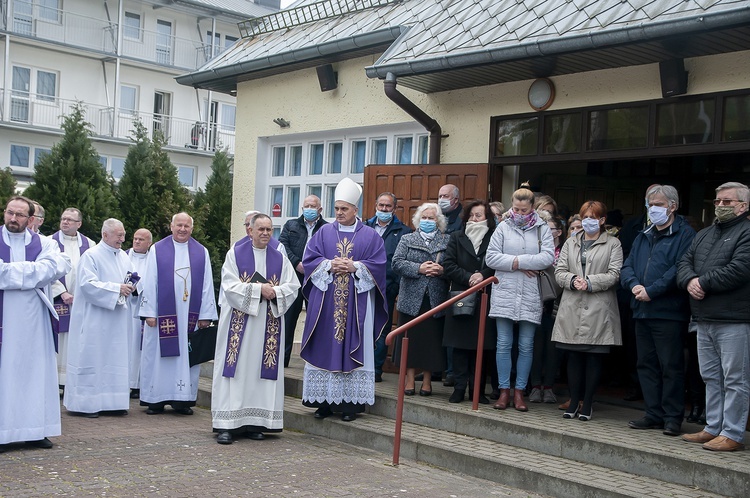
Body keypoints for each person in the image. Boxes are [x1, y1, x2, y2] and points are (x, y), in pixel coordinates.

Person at [300, 178, 388, 422]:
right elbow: (309, 260)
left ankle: (350, 405)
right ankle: (323, 402)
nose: (339, 213)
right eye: (336, 208)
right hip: (327, 304)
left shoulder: (370, 236)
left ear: (355, 210)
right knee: (325, 344)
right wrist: (328, 264)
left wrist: (355, 266)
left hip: (357, 304)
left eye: (344, 209)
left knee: (353, 346)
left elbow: (380, 266)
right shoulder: (323, 232)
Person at [212, 214, 300, 444]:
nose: (265, 233)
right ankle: (227, 424)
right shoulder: (235, 254)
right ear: (250, 231)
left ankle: (256, 422)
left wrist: (275, 293)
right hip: (238, 326)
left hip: (267, 325)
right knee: (236, 371)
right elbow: (229, 287)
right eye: (260, 229)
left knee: (260, 373)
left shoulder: (280, 258)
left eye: (269, 229)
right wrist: (258, 289)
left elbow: (292, 288)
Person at [677, 182, 750, 452]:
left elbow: (740, 268)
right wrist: (689, 281)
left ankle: (732, 433)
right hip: (704, 318)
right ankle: (713, 427)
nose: (720, 206)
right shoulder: (704, 234)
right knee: (710, 376)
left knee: (734, 379)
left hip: (734, 318)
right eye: (717, 201)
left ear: (743, 205)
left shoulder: (747, 233)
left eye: (727, 202)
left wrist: (702, 283)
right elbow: (684, 262)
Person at [620, 185, 695, 436]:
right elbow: (628, 265)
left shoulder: (685, 234)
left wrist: (652, 290)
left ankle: (673, 417)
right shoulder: (644, 234)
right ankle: (653, 413)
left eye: (659, 204)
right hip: (641, 308)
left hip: (668, 311)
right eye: (651, 204)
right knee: (646, 364)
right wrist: (635, 286)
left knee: (670, 366)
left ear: (673, 206)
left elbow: (679, 269)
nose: (654, 209)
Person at [0, 196, 70, 452]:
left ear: (30, 219)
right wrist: (32, 272)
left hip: (33, 321)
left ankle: (35, 430)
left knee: (34, 372)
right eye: (10, 213)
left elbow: (55, 268)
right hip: (4, 319)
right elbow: (39, 272)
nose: (13, 219)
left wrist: (9, 273)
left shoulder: (45, 243)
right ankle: (3, 432)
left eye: (19, 215)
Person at [139, 213, 217, 415]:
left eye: (187, 226)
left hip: (189, 318)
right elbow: (149, 281)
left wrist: (205, 315)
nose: (183, 229)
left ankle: (182, 401)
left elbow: (207, 284)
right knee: (157, 355)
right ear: (171, 226)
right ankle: (155, 400)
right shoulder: (157, 249)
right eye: (179, 225)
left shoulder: (201, 252)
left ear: (192, 228)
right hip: (162, 315)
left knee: (186, 355)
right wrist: (149, 312)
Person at [552, 200, 622, 422]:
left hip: (598, 306)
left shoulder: (613, 244)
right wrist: (573, 280)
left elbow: (614, 274)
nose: (587, 222)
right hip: (572, 305)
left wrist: (590, 281)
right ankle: (573, 401)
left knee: (593, 357)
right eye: (584, 218)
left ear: (602, 220)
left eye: (593, 218)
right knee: (573, 355)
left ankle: (588, 403)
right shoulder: (571, 243)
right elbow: (559, 270)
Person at [486, 186, 554, 412]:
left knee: (526, 345)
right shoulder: (503, 226)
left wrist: (516, 262)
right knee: (503, 343)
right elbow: (491, 258)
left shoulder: (542, 228)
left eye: (524, 210)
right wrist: (520, 262)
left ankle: (519, 393)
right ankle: (504, 391)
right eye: (516, 209)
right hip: (505, 291)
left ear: (532, 207)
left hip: (530, 293)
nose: (520, 213)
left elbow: (547, 258)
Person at [63, 219, 136, 418]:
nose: (122, 239)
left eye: (123, 235)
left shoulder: (123, 256)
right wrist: (116, 288)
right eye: (118, 235)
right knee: (92, 357)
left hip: (118, 318)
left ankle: (114, 401)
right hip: (95, 318)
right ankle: (87, 403)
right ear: (105, 235)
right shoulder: (91, 255)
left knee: (116, 356)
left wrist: (131, 286)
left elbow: (131, 277)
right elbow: (87, 285)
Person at [392, 202, 450, 396]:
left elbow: (452, 266)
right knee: (410, 340)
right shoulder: (407, 238)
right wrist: (419, 268)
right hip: (411, 299)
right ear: (418, 220)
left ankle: (427, 381)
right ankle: (409, 379)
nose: (427, 221)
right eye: (424, 218)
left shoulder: (446, 240)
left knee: (430, 342)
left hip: (434, 298)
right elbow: (397, 263)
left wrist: (442, 271)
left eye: (431, 218)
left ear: (438, 221)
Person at [442, 200, 496, 403]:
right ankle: (458, 388)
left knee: (480, 347)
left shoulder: (494, 237)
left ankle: (477, 391)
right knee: (460, 347)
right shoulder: (457, 236)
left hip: (485, 298)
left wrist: (482, 275)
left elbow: (497, 262)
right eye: (472, 215)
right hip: (461, 296)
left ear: (487, 219)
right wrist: (468, 277)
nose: (474, 219)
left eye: (479, 215)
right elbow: (448, 264)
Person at [365, 192, 411, 382]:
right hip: (362, 286)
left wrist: (398, 288)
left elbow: (402, 262)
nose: (384, 209)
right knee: (361, 326)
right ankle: (360, 366)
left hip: (387, 288)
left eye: (388, 206)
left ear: (395, 208)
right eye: (381, 205)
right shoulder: (363, 227)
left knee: (382, 328)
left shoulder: (403, 231)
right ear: (375, 205)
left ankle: (375, 369)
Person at [50, 208, 97, 390]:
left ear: (79, 224)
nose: (65, 222)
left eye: (70, 220)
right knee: (59, 339)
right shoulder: (49, 242)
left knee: (76, 339)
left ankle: (71, 380)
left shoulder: (90, 244)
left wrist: (81, 294)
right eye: (63, 219)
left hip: (80, 301)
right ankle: (56, 381)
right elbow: (47, 270)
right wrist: (61, 292)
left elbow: (92, 271)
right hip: (57, 300)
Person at [279, 195, 326, 368]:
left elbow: (328, 251)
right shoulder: (291, 225)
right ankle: (282, 360)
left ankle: (315, 360)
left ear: (320, 210)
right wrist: (297, 263)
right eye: (306, 205)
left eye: (313, 206)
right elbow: (282, 246)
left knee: (316, 319)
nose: (309, 209)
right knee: (288, 319)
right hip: (293, 278)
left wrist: (313, 267)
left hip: (316, 280)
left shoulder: (327, 228)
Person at [529, 215, 566, 404]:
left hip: (558, 306)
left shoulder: (565, 251)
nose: (546, 232)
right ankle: (535, 387)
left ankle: (549, 387)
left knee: (553, 349)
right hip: (537, 304)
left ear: (559, 232)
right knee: (536, 346)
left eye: (550, 228)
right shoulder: (537, 250)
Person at [437, 184, 463, 386]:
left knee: (453, 327)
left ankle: (452, 371)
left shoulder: (462, 219)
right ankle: (436, 367)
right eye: (440, 196)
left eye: (445, 196)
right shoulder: (435, 216)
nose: (442, 199)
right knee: (435, 326)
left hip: (454, 278)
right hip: (435, 280)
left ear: (455, 199)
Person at [126, 228, 153, 399]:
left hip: (144, 307)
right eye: (135, 238)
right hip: (126, 307)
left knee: (139, 346)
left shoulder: (154, 258)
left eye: (141, 239)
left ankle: (138, 384)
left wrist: (138, 288)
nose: (136, 242)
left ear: (149, 243)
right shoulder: (123, 256)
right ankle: (125, 382)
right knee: (126, 344)